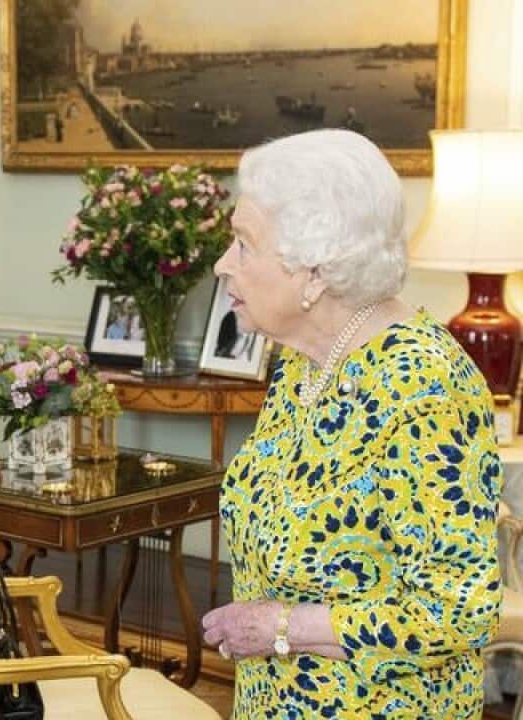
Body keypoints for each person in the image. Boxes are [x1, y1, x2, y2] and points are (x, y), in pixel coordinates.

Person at [202, 129, 502, 718]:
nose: (222, 264)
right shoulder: (302, 361)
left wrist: (281, 627)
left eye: (243, 245)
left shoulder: (425, 386)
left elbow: (458, 610)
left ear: (314, 271)